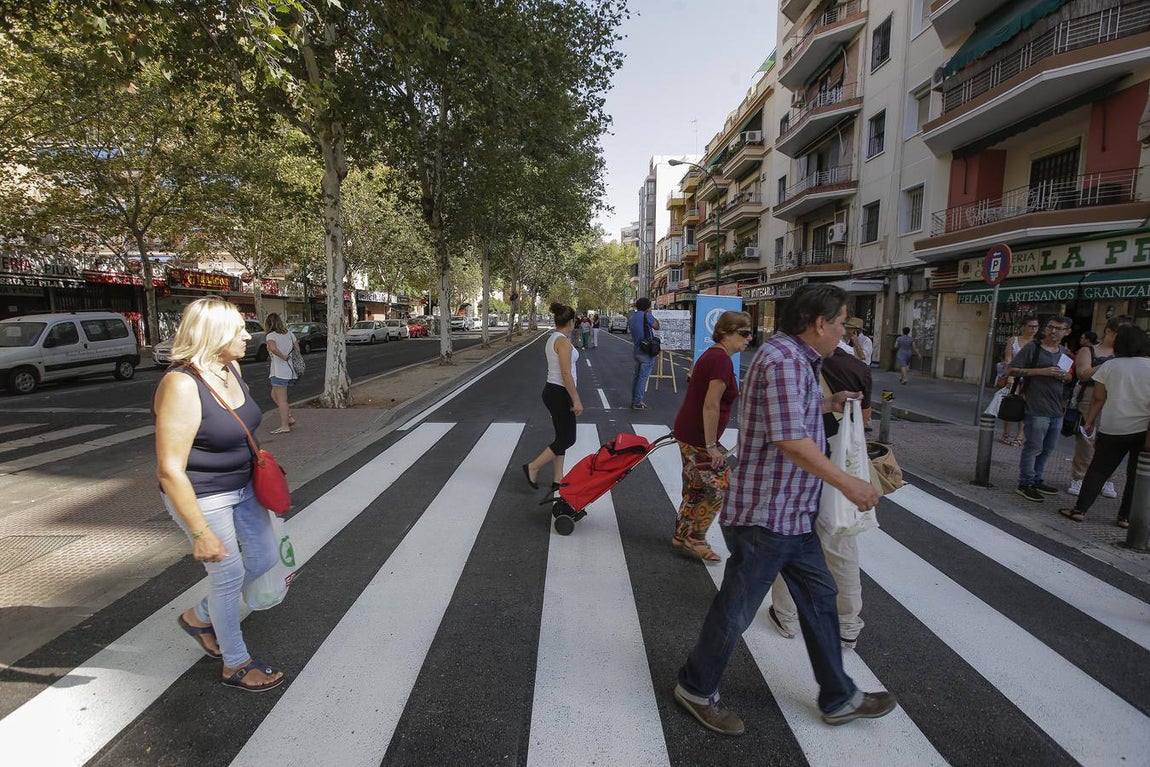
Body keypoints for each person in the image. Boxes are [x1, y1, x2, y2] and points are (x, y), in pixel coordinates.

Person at [673, 284, 893, 736]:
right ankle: (696, 688)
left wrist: (828, 403)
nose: (843, 334)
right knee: (736, 608)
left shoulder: (793, 361)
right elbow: (789, 439)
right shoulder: (786, 362)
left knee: (820, 598)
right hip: (767, 516)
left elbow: (786, 416)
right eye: (841, 324)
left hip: (791, 515)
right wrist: (850, 482)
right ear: (819, 323)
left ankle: (838, 696)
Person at [154, 297, 285, 692]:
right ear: (213, 334)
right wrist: (199, 531)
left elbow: (242, 427)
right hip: (203, 495)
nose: (248, 335)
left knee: (264, 556)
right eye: (239, 329)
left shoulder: (230, 366)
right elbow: (170, 468)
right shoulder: (180, 384)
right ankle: (236, 663)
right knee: (227, 575)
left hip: (244, 487)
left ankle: (200, 616)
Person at [770, 338, 873, 649]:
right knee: (842, 545)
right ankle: (848, 625)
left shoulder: (797, 367)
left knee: (792, 541)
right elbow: (864, 421)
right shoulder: (858, 368)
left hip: (803, 460)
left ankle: (787, 616)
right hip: (842, 464)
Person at [670, 311, 752, 564]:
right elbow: (711, 405)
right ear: (727, 332)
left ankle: (681, 534)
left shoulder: (713, 355)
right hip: (697, 435)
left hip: (690, 430)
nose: (749, 338)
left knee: (696, 486)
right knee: (720, 485)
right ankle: (696, 536)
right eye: (744, 333)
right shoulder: (721, 360)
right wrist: (711, 446)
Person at [1060, 325, 1150, 529]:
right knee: (1137, 475)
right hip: (1143, 430)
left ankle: (1080, 510)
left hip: (1114, 427)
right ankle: (1125, 517)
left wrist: (1090, 421)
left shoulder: (1110, 366)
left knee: (1099, 470)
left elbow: (1099, 398)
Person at [1007, 316, 1074, 503]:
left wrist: (1066, 377)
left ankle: (1037, 479)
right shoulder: (1033, 348)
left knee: (1047, 448)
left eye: (1059, 328)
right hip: (1036, 407)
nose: (1053, 331)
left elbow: (1069, 377)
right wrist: (1041, 371)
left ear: (1067, 331)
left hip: (1057, 408)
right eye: (1051, 327)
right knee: (1033, 447)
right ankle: (1025, 483)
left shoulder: (1064, 352)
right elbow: (1011, 370)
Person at [523, 303, 584, 490]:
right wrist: (576, 399)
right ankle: (533, 467)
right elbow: (566, 373)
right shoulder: (563, 342)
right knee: (568, 439)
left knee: (561, 437)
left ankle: (558, 479)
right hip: (560, 392)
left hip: (553, 391)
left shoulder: (553, 338)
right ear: (571, 322)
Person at [1068, 316, 1130, 497]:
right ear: (1109, 331)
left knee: (1111, 440)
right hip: (1089, 395)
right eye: (1119, 332)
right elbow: (1083, 373)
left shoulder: (1127, 353)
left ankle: (1107, 479)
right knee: (1086, 439)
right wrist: (1109, 364)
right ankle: (1078, 477)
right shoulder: (1089, 350)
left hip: (1116, 398)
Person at [999, 316, 1040, 446]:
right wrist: (1010, 375)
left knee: (1025, 407)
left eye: (1036, 327)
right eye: (1031, 326)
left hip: (1030, 379)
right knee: (1011, 404)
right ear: (1023, 327)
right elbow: (1008, 359)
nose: (1033, 329)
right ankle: (1006, 433)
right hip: (1015, 376)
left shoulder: (1038, 343)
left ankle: (1019, 437)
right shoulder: (1013, 340)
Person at [264, 313, 298, 434]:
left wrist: (282, 356)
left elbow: (273, 348)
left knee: (282, 400)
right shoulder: (290, 334)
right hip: (290, 370)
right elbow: (297, 350)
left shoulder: (270, 336)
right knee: (274, 394)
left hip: (279, 371)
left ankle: (285, 425)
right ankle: (288, 417)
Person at [628, 297, 661, 410]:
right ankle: (638, 402)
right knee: (643, 378)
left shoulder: (632, 317)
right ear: (647, 307)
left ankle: (634, 399)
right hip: (646, 351)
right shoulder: (647, 315)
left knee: (637, 377)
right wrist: (650, 314)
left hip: (637, 350)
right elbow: (657, 326)